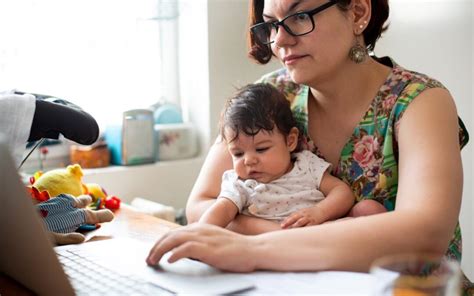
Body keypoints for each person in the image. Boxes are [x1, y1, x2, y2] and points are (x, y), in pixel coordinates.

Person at [147, 0, 472, 292]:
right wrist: (280, 233)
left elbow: (424, 235)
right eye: (272, 24)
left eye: (299, 17)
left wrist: (251, 248)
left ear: (358, 12)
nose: (279, 40)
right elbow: (200, 204)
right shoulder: (272, 95)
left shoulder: (421, 101)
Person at [200, 83, 386, 229]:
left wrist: (319, 212)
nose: (248, 160)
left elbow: (342, 192)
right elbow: (220, 211)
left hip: (324, 229)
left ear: (290, 141)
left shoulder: (306, 164)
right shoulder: (240, 184)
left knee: (368, 209)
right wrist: (199, 233)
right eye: (238, 153)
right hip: (277, 242)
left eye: (261, 149)